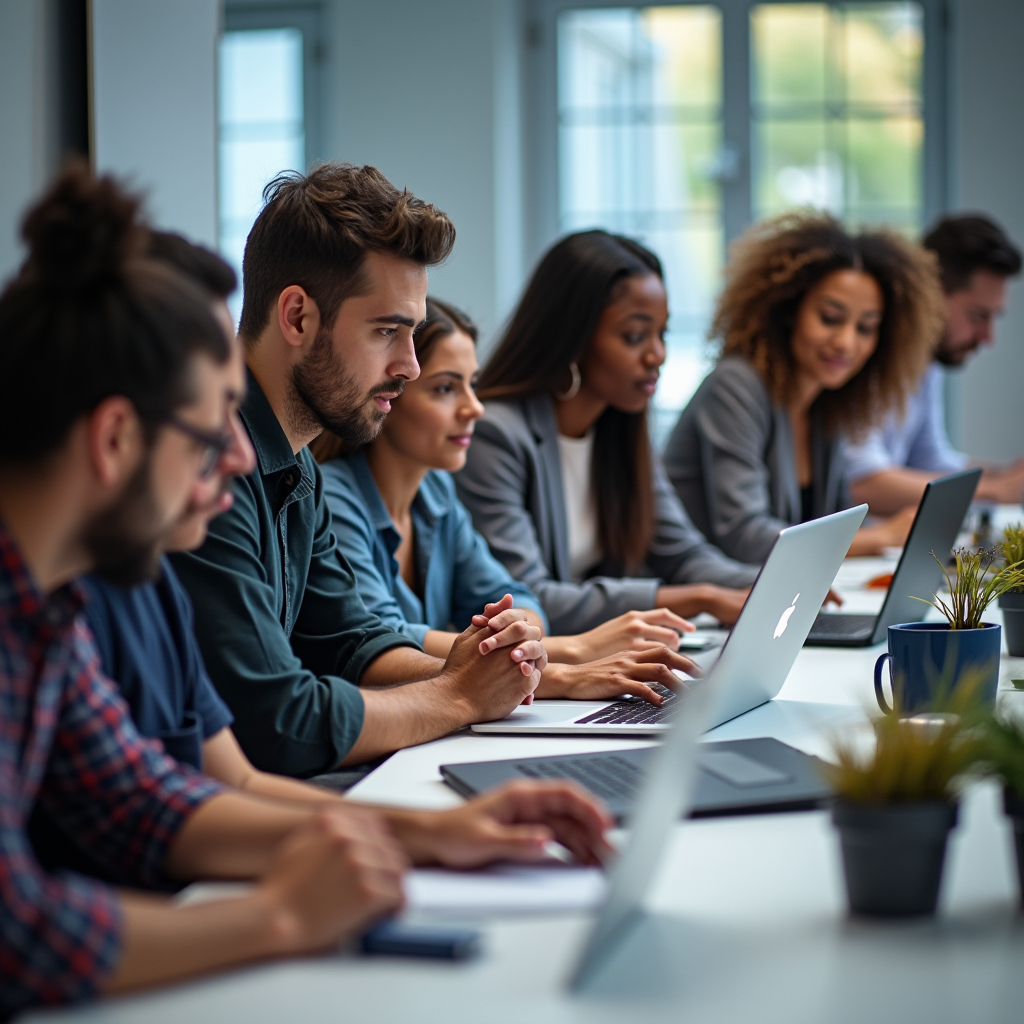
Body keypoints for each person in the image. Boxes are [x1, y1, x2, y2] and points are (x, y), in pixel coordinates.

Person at [0, 168, 610, 1018]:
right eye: (210, 425)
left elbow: (147, 801)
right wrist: (279, 918)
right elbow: (18, 927)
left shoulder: (60, 600)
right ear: (114, 439)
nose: (241, 456)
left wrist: (435, 832)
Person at [170, 164, 554, 779]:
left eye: (413, 335)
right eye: (386, 332)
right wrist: (459, 696)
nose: (408, 366)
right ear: (297, 317)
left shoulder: (295, 463)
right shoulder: (209, 464)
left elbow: (350, 642)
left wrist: (480, 666)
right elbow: (277, 723)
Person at [312, 297, 701, 708]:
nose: (474, 408)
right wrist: (567, 655)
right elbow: (378, 640)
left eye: (472, 384)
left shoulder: (436, 494)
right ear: (388, 396)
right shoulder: (335, 498)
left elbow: (518, 598)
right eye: (445, 388)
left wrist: (523, 640)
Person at [455, 230, 759, 638]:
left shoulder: (619, 426)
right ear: (573, 338)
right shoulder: (495, 435)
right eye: (635, 336)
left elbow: (683, 553)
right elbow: (530, 597)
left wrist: (771, 580)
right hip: (537, 671)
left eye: (662, 334)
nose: (657, 355)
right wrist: (696, 597)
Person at [663, 212, 941, 566]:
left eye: (866, 328)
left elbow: (839, 523)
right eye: (830, 318)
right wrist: (881, 537)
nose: (846, 342)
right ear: (790, 310)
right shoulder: (735, 387)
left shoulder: (828, 404)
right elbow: (745, 538)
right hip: (708, 606)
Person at [845, 213, 1024, 514]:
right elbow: (863, 482)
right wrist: (995, 490)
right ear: (930, 294)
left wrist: (1004, 475)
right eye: (978, 316)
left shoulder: (927, 364)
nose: (987, 337)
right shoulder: (862, 356)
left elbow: (928, 459)